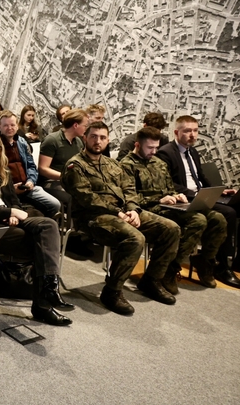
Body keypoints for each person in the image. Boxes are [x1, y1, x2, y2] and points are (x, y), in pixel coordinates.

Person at [61, 121, 181, 315]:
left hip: (122, 212)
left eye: (102, 137)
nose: (98, 141)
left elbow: (129, 189)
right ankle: (112, 291)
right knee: (135, 238)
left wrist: (133, 209)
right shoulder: (75, 166)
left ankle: (151, 280)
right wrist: (118, 213)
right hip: (92, 217)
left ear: (108, 140)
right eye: (93, 136)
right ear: (85, 138)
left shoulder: (113, 164)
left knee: (171, 228)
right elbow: (88, 198)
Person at [0, 132, 72, 326]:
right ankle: (43, 306)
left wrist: (14, 212)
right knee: (43, 246)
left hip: (12, 219)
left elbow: (14, 200)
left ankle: (50, 287)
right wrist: (11, 211)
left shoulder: (3, 171)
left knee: (49, 225)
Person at [120, 127, 226, 291]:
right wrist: (158, 199)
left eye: (156, 147)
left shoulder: (158, 163)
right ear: (138, 145)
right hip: (148, 209)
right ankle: (170, 268)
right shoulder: (126, 166)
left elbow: (169, 188)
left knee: (217, 219)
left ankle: (205, 262)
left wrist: (176, 196)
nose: (154, 151)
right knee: (198, 220)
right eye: (150, 148)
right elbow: (128, 198)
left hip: (169, 206)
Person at [155, 115, 240, 288]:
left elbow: (200, 177)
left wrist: (217, 191)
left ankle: (232, 261)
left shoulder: (192, 151)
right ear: (176, 132)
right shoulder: (166, 152)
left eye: (195, 130)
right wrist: (197, 194)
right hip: (185, 199)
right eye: (187, 131)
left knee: (237, 205)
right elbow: (169, 183)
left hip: (201, 195)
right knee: (228, 214)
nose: (192, 135)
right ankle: (220, 265)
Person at [0, 110, 60, 218]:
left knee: (54, 205)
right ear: (0, 126)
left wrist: (31, 181)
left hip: (26, 187)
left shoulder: (21, 142)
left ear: (17, 126)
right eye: (5, 125)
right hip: (6, 191)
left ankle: (42, 223)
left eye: (12, 125)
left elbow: (31, 166)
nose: (9, 128)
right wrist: (10, 189)